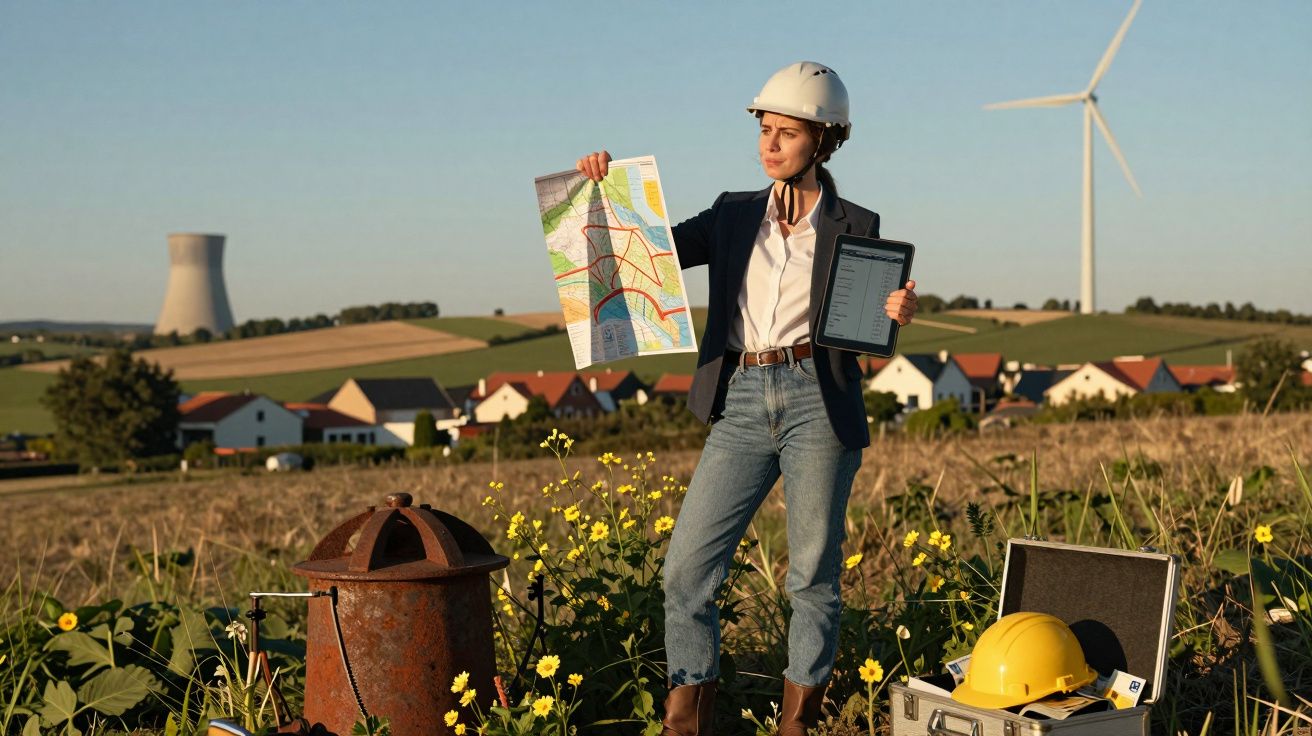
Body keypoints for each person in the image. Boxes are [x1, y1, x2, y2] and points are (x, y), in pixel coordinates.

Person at [576, 61, 918, 736]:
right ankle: (685, 723)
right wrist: (604, 190)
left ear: (823, 141)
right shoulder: (732, 215)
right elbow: (653, 251)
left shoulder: (856, 223)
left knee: (812, 576)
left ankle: (797, 724)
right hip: (739, 399)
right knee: (685, 572)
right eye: (765, 129)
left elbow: (870, 344)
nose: (769, 144)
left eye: (786, 133)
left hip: (819, 398)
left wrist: (896, 318)